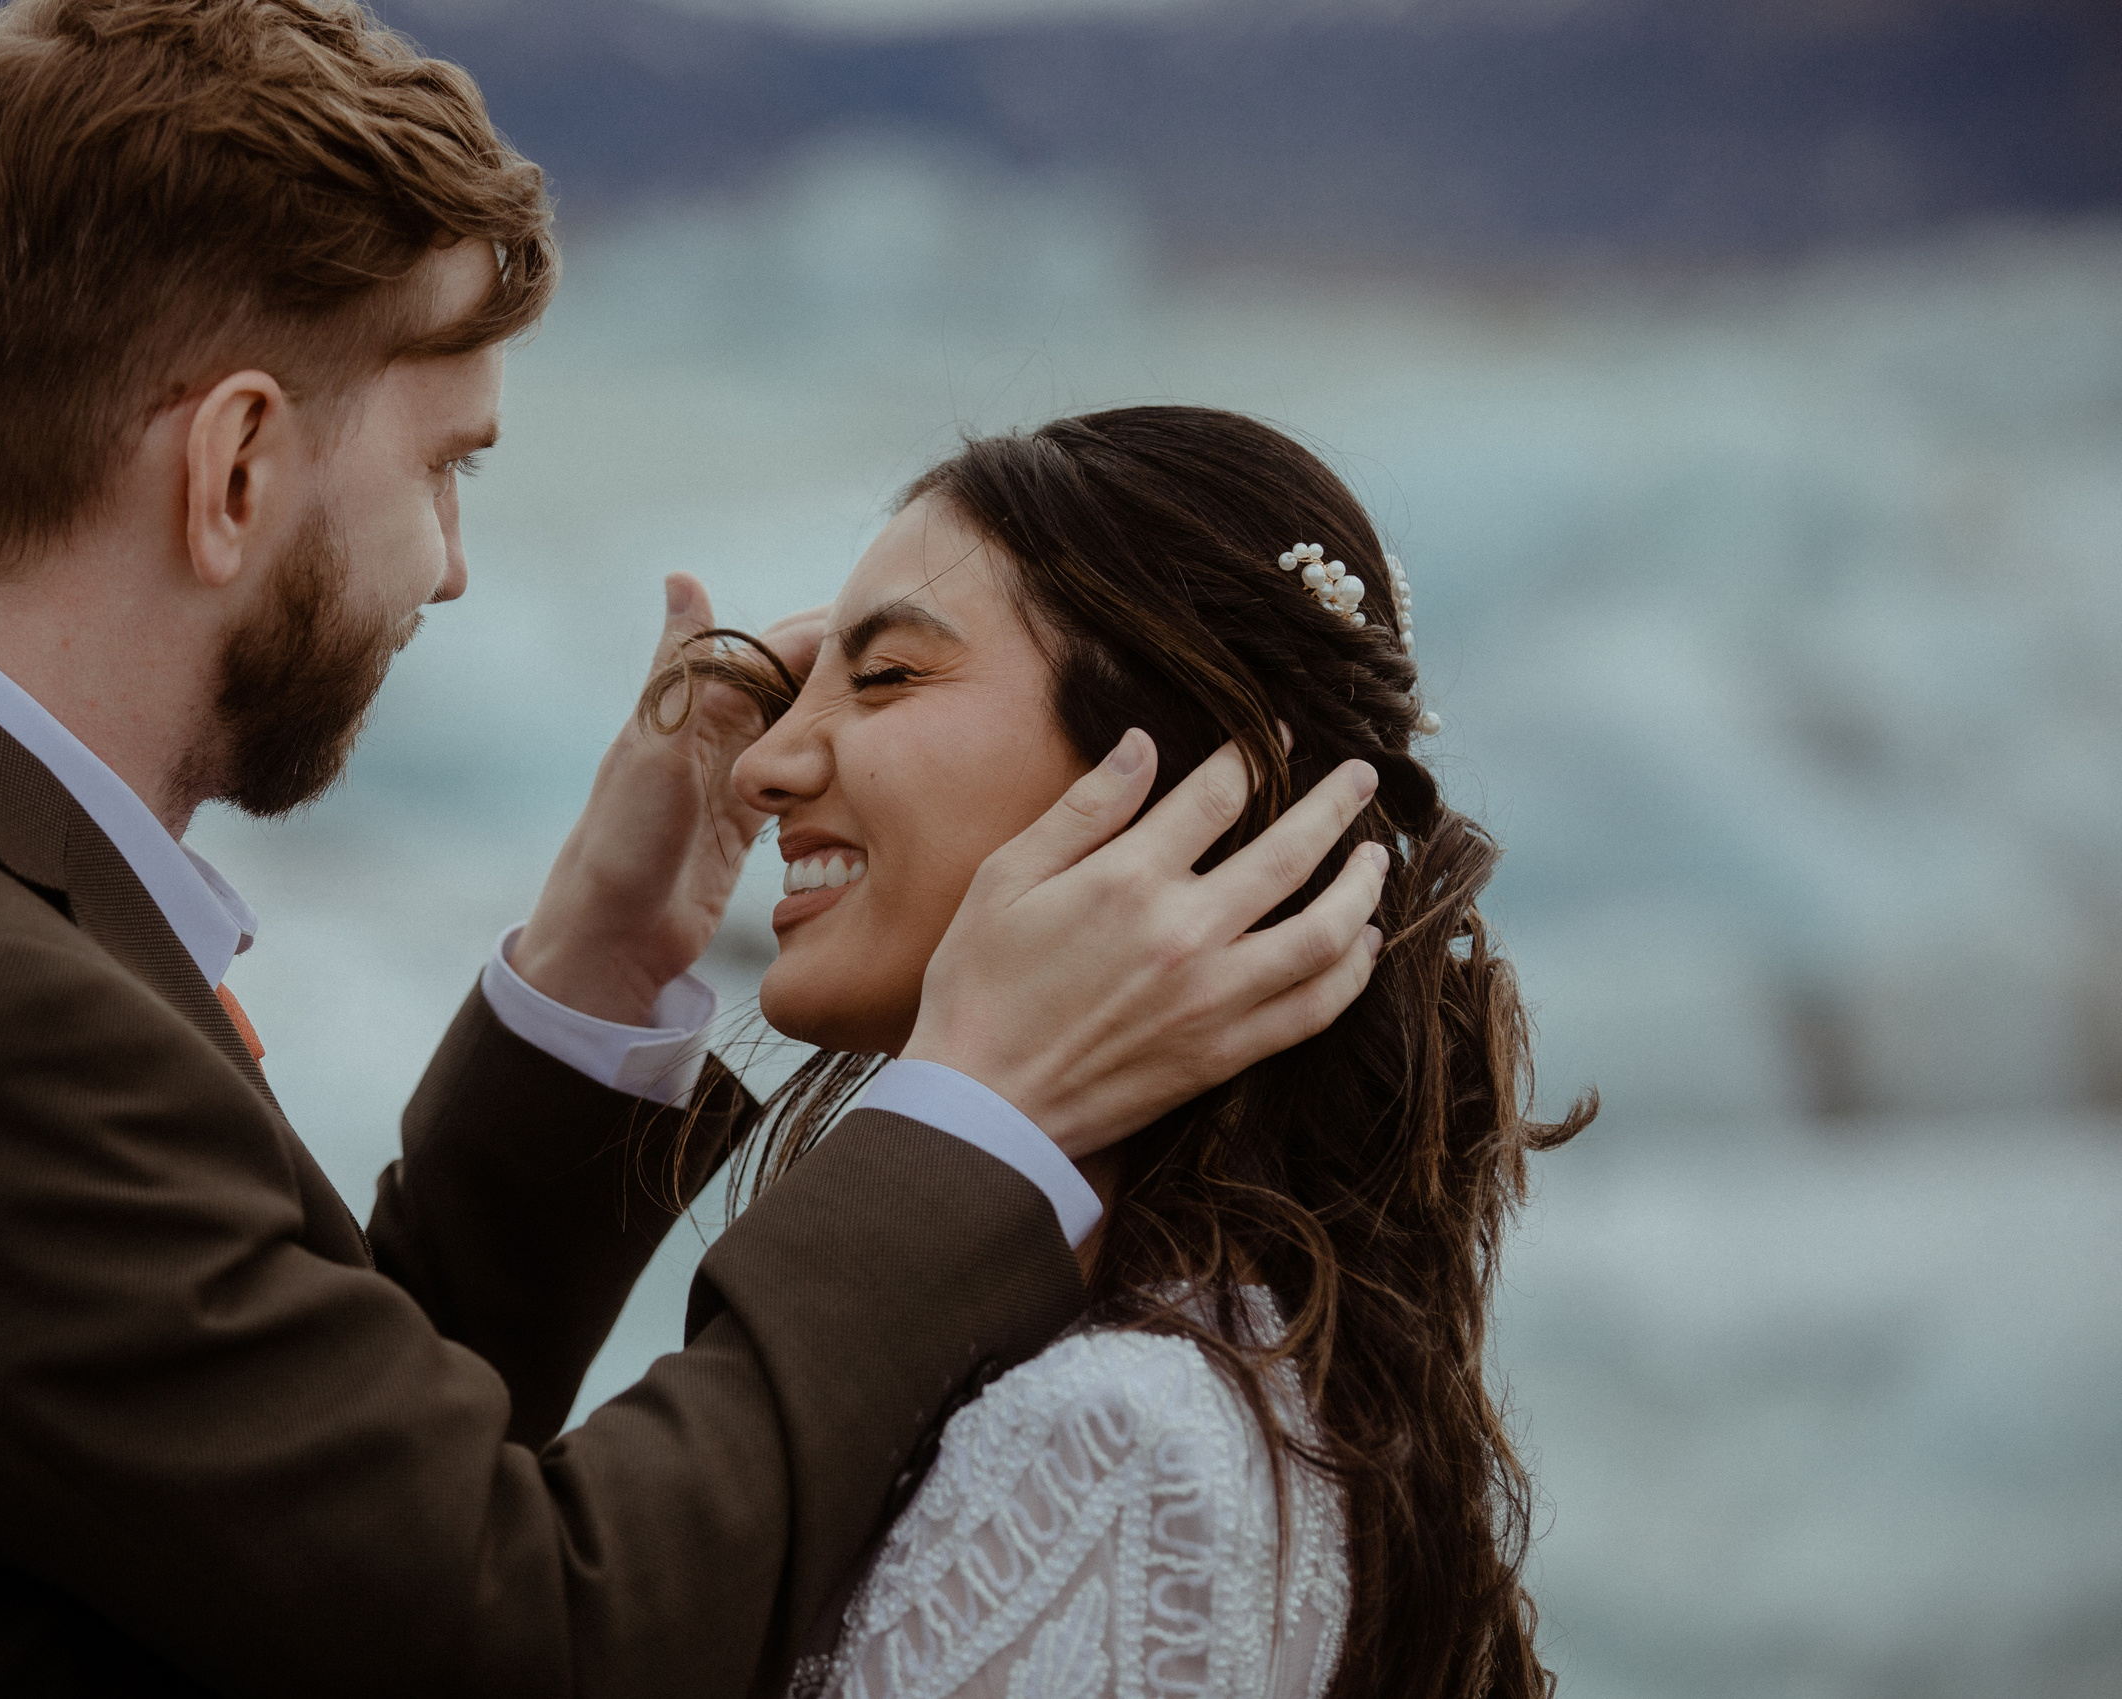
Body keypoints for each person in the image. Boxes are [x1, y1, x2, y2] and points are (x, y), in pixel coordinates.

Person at [0, 0, 1392, 1694]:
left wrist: (599, 978)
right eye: (445, 466)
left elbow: (318, 1527)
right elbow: (526, 1634)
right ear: (239, 468)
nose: (451, 563)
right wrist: (974, 1125)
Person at [646, 407, 1596, 1699]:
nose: (761, 765)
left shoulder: (1106, 1441)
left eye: (883, 679)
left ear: (1176, 776)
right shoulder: (1232, 1375)